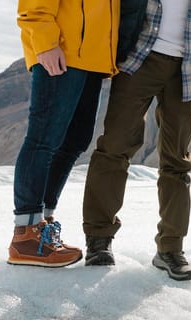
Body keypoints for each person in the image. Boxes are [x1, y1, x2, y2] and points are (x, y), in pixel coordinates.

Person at [80, 0, 191, 282]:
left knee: (177, 160)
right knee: (114, 147)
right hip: (138, 58)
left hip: (187, 67)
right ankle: (98, 240)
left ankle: (170, 249)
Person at [8, 0, 119, 268]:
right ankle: (25, 235)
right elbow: (33, 7)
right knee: (43, 139)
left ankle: (43, 227)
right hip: (62, 51)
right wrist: (45, 42)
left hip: (92, 60)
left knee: (74, 142)